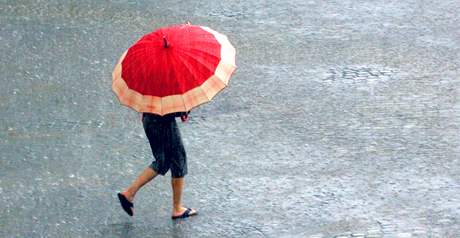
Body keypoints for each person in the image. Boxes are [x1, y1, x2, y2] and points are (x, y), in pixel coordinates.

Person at [117, 111, 198, 219]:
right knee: (178, 159)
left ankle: (129, 193)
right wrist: (183, 111)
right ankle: (177, 208)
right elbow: (167, 107)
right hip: (163, 123)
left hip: (149, 119)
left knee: (163, 161)